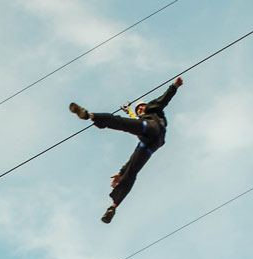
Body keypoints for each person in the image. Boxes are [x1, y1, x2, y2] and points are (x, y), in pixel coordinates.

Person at [69, 77, 183, 223]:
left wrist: (174, 86)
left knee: (123, 123)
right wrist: (121, 172)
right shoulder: (141, 119)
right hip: (150, 143)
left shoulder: (151, 109)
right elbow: (131, 159)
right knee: (131, 171)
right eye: (138, 109)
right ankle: (114, 206)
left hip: (153, 128)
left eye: (141, 108)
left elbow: (163, 100)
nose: (141, 109)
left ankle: (92, 116)